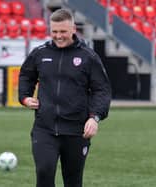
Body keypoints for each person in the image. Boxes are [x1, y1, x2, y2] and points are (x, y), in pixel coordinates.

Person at [18, 8, 111, 187]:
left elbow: (102, 90)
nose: (58, 36)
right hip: (45, 128)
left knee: (73, 182)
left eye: (63, 32)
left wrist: (95, 118)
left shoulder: (88, 57)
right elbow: (26, 76)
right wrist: (25, 97)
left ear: (73, 29)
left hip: (77, 131)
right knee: (44, 172)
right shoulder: (40, 53)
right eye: (54, 31)